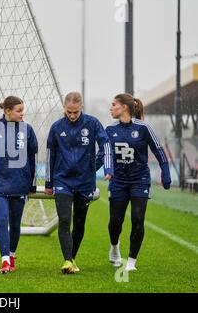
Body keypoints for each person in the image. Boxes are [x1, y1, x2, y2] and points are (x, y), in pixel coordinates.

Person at [97, 93, 171, 271]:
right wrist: (87, 174)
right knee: (116, 221)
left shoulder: (144, 127)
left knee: (138, 219)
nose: (111, 108)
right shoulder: (110, 129)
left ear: (124, 107)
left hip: (140, 180)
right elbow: (102, 155)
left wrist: (165, 171)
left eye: (114, 104)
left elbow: (159, 150)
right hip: (119, 182)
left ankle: (131, 261)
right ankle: (114, 247)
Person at [45, 91, 113, 274]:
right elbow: (50, 154)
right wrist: (49, 183)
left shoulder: (92, 123)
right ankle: (67, 260)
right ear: (64, 108)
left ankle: (72, 257)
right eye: (69, 112)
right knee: (65, 220)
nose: (73, 115)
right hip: (63, 181)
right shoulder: (57, 127)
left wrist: (106, 168)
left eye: (75, 112)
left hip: (85, 182)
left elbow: (105, 143)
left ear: (81, 107)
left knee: (80, 223)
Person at [0, 96, 38, 274]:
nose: (22, 114)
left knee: (15, 224)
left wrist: (31, 183)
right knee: (2, 220)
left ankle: (12, 255)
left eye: (23, 110)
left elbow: (33, 158)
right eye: (19, 110)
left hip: (20, 185)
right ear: (7, 111)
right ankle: (5, 261)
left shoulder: (28, 130)